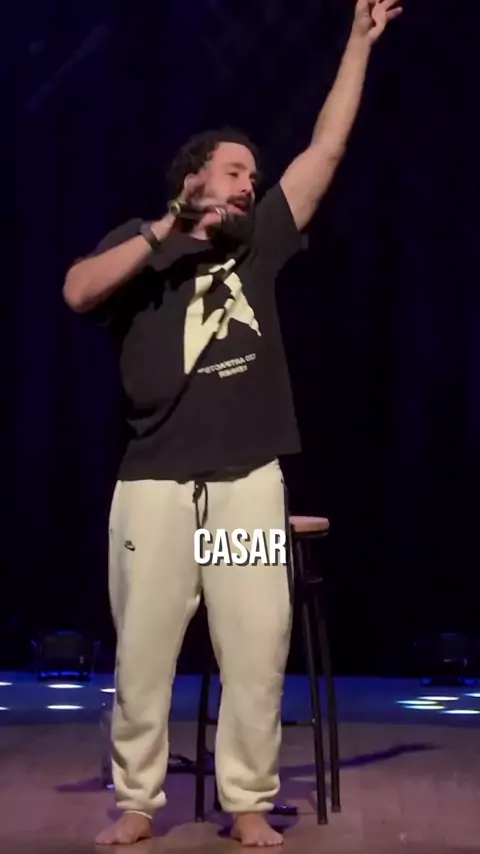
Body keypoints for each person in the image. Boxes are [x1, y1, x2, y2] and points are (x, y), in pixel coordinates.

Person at [64, 0, 401, 846]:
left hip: (246, 483)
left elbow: (326, 149)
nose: (250, 182)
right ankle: (138, 801)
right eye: (235, 170)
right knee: (143, 654)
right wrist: (169, 229)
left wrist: (358, 43)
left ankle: (247, 798)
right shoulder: (143, 247)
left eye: (254, 173)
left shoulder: (262, 243)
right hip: (154, 487)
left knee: (255, 644)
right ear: (193, 179)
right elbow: (77, 291)